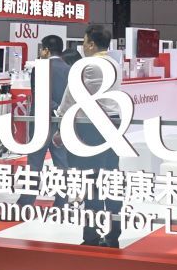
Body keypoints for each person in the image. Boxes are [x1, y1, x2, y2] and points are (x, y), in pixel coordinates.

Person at [53, 25, 124, 247]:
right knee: (111, 177)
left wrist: (60, 125)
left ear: (91, 44)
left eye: (84, 42)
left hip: (91, 126)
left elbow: (70, 98)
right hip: (114, 123)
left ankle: (91, 235)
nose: (82, 46)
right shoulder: (115, 64)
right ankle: (113, 233)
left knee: (91, 180)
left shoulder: (86, 65)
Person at [16, 35, 72, 210]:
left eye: (42, 49)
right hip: (61, 121)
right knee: (61, 163)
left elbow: (39, 95)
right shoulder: (69, 69)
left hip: (41, 121)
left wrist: (54, 108)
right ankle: (61, 201)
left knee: (34, 163)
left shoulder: (39, 68)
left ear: (46, 50)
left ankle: (26, 201)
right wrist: (59, 111)